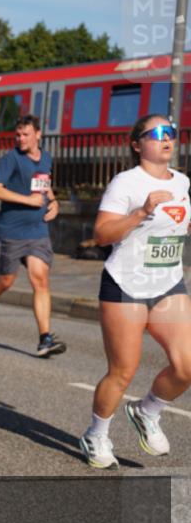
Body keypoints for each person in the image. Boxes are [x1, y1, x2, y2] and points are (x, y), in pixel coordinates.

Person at [79, 114, 190, 469]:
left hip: (168, 282)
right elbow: (102, 234)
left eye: (170, 133)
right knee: (123, 371)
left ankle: (147, 411)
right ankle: (96, 434)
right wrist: (141, 212)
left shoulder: (183, 183)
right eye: (156, 134)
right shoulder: (125, 182)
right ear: (137, 144)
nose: (166, 138)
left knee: (187, 366)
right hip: (126, 283)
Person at [0, 115, 66, 357]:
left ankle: (45, 338)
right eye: (18, 135)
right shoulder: (10, 159)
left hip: (38, 230)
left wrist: (53, 202)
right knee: (6, 281)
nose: (21, 139)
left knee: (40, 279)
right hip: (12, 230)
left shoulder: (46, 158)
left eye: (26, 134)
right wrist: (28, 200)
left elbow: (44, 184)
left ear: (38, 135)